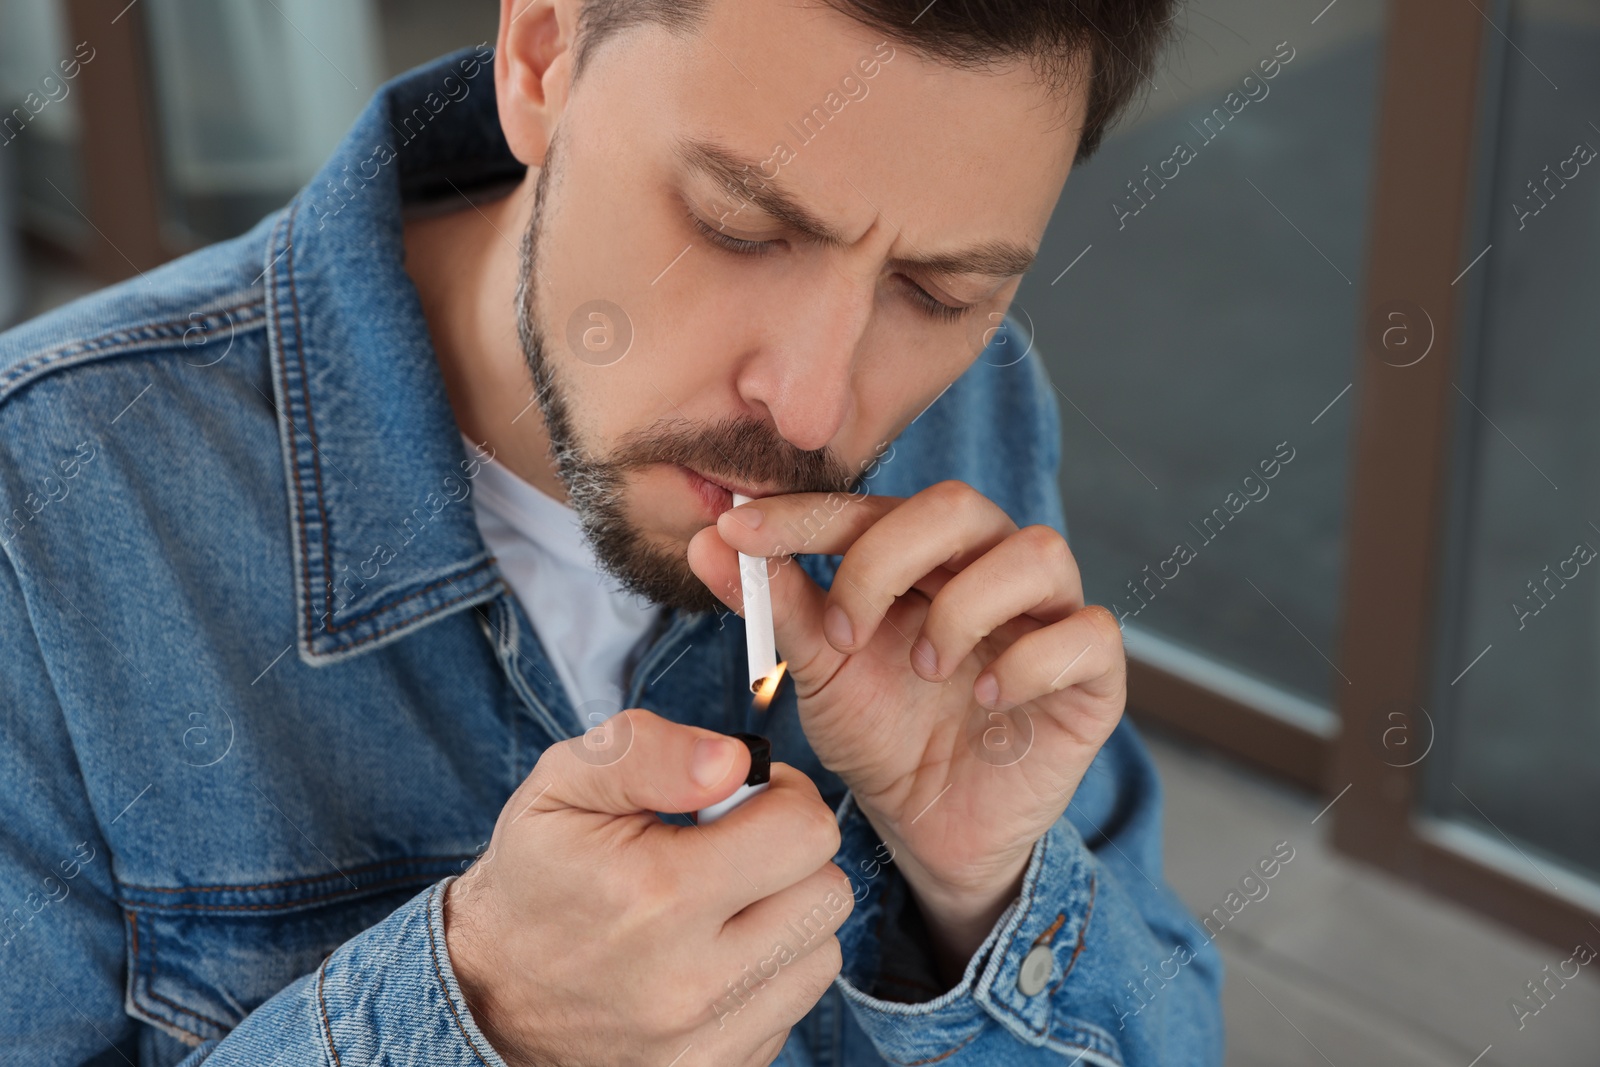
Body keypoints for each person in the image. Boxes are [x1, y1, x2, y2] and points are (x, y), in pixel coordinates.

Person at [0, 0, 1223, 1063]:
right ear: (542, 58)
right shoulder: (41, 520)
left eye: (935, 294)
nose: (810, 404)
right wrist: (476, 1018)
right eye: (742, 226)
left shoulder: (980, 406)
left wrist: (983, 889)